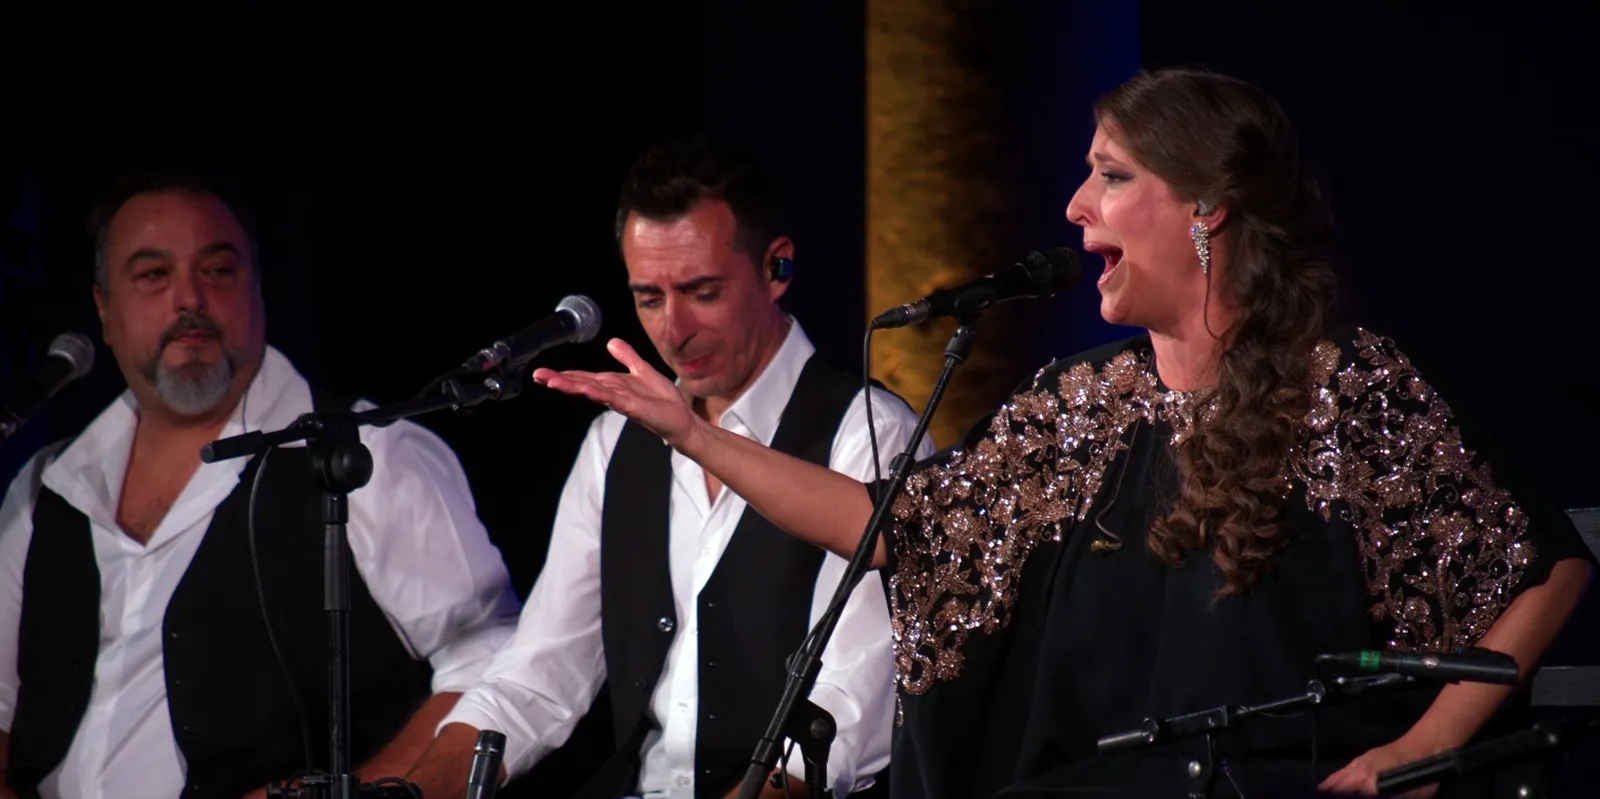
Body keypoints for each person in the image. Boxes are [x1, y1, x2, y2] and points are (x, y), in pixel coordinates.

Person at [527, 69, 1597, 799]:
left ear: (1207, 207)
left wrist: (1422, 748)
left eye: (1113, 174)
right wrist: (695, 434)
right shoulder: (1078, 405)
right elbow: (895, 529)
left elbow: (1538, 569)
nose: (1077, 206)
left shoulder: (1346, 387)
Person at [404, 135, 931, 799]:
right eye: (648, 297)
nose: (673, 329)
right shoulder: (613, 443)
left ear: (778, 267)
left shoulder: (869, 434)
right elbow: (539, 672)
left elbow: (845, 712)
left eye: (701, 291)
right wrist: (415, 788)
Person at [0, 171, 523, 799]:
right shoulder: (43, 489)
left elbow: (493, 663)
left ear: (258, 290)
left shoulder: (368, 452)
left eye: (218, 271)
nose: (189, 299)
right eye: (153, 276)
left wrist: (368, 794)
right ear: (104, 310)